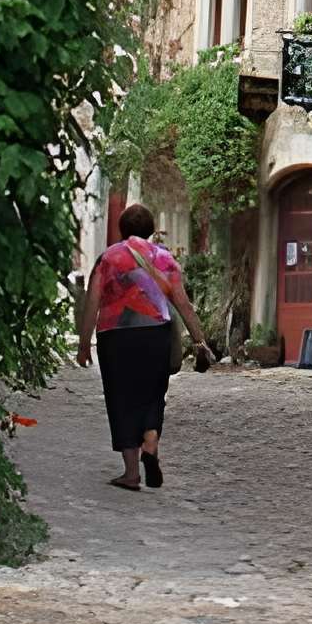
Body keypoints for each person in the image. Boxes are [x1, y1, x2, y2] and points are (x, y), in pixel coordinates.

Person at [76, 204, 195, 492]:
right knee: (153, 393)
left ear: (122, 229)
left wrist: (84, 343)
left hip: (115, 338)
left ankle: (131, 474)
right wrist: (199, 338)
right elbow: (183, 304)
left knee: (122, 399)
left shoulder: (107, 259)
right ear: (151, 230)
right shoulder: (164, 259)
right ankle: (150, 443)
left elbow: (92, 302)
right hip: (156, 335)